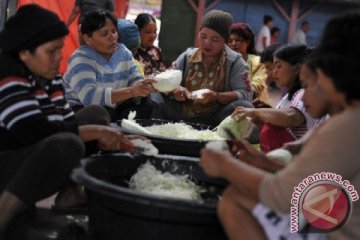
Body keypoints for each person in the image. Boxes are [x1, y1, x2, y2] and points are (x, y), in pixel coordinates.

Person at [200, 11, 360, 240]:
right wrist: (262, 161)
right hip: (331, 212)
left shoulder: (348, 126)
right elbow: (308, 164)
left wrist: (224, 165)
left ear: (336, 68)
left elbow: (283, 194)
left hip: (336, 231)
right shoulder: (347, 118)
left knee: (233, 199)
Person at [0, 4, 134, 236]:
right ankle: (3, 215)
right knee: (67, 143)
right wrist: (97, 133)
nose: (58, 57)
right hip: (6, 161)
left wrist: (103, 131)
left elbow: (66, 120)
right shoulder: (7, 74)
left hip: (30, 157)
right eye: (51, 51)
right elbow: (34, 131)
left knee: (96, 114)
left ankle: (71, 193)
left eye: (60, 49)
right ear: (24, 53)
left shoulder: (49, 77)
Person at [150, 10, 253, 127]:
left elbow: (246, 94)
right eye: (203, 36)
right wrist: (175, 89)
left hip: (216, 119)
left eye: (215, 39)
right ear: (198, 33)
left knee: (244, 106)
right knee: (154, 96)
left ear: (225, 40)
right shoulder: (187, 57)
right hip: (181, 115)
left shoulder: (235, 62)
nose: (207, 43)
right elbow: (166, 78)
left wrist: (217, 97)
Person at [64, 10, 156, 120]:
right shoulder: (80, 59)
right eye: (104, 34)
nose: (112, 37)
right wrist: (131, 91)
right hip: (81, 111)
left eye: (114, 31)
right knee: (100, 112)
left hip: (112, 106)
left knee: (146, 103)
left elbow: (135, 78)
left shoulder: (123, 52)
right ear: (87, 38)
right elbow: (90, 98)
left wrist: (143, 86)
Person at [233, 44, 318, 152]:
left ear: (297, 69)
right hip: (292, 152)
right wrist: (264, 114)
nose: (274, 72)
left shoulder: (302, 93)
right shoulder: (288, 96)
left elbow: (292, 117)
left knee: (270, 129)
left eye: (279, 66)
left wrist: (256, 112)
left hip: (302, 155)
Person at [228, 22, 269, 104]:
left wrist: (236, 91)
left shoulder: (258, 62)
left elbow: (258, 86)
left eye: (238, 40)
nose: (233, 44)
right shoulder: (224, 61)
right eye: (230, 41)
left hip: (254, 105)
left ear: (248, 42)